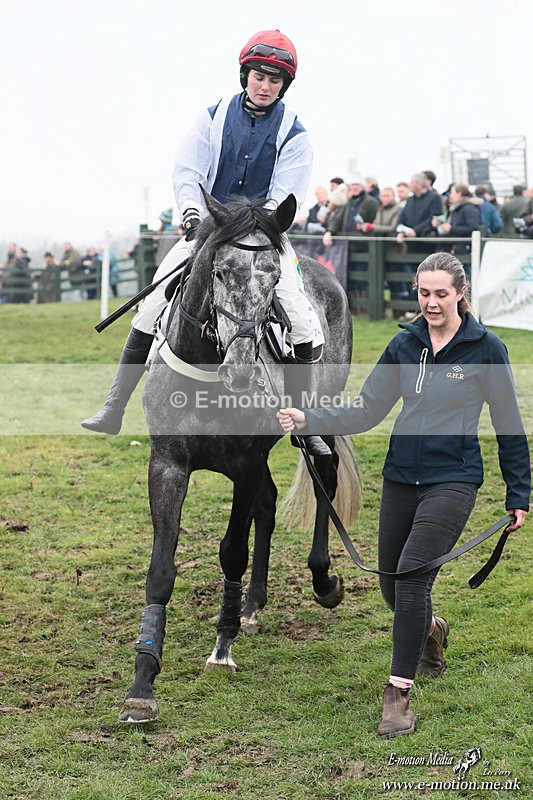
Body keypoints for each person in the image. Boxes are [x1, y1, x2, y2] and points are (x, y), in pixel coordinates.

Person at [277, 251, 530, 738]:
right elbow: (367, 410)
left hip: (453, 480)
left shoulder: (486, 349)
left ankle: (397, 696)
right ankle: (432, 630)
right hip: (399, 479)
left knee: (412, 579)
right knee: (393, 587)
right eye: (423, 293)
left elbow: (508, 424)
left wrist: (518, 492)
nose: (431, 302)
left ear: (461, 294)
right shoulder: (404, 344)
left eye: (441, 293)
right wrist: (313, 420)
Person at [81, 28, 330, 457]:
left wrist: (257, 225)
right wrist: (193, 215)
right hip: (209, 229)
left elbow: (287, 192)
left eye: (274, 80)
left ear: (284, 85)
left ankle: (305, 423)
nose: (265, 86)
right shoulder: (212, 116)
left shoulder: (296, 133)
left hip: (263, 236)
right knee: (152, 304)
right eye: (259, 76)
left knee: (303, 320)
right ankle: (114, 405)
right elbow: (188, 171)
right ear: (244, 75)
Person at [432, 183, 482, 253]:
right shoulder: (456, 208)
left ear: (459, 194)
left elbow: (473, 228)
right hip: (455, 248)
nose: (449, 196)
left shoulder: (469, 208)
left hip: (464, 250)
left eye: (452, 193)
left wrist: (451, 229)